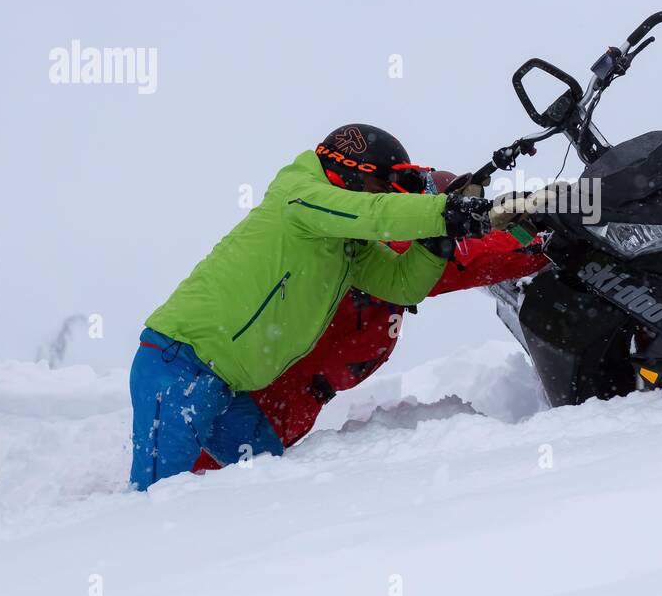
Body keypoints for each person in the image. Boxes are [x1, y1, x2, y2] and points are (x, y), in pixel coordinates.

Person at [128, 125, 492, 489]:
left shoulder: (345, 243)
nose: (380, 196)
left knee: (271, 481)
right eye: (379, 187)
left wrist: (439, 238)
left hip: (225, 386)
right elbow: (372, 213)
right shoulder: (300, 196)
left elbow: (402, 284)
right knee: (155, 498)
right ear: (355, 172)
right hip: (177, 365)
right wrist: (445, 210)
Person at [188, 171, 549, 467]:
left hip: (281, 415)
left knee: (220, 503)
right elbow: (463, 258)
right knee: (196, 499)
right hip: (248, 409)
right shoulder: (383, 249)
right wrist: (542, 242)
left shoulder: (392, 254)